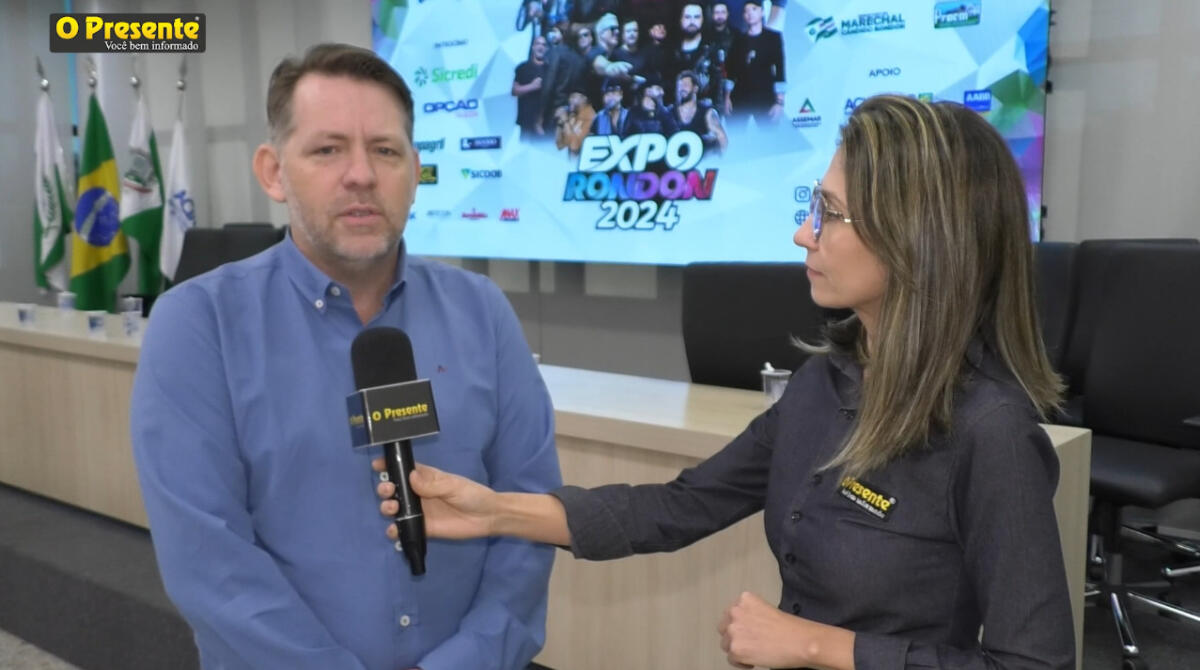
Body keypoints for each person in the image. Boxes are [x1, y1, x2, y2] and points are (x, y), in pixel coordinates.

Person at [375, 94, 1076, 669]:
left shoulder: (990, 433)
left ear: (917, 237)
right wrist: (495, 512)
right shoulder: (824, 386)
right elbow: (679, 506)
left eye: (829, 215)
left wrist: (816, 645)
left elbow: (1035, 663)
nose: (804, 235)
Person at [130, 43, 562, 670]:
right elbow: (210, 561)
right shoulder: (198, 326)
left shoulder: (483, 312)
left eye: (385, 151)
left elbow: (528, 513)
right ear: (274, 172)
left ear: (415, 170)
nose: (361, 175)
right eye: (328, 150)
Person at [726, 0, 785, 125]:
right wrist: (727, 98)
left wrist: (779, 102)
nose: (750, 14)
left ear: (762, 12)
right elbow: (730, 71)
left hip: (765, 96)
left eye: (754, 9)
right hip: (740, 95)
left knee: (768, 132)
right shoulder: (738, 40)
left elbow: (780, 70)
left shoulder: (773, 38)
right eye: (746, 11)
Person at [671, 70, 727, 152]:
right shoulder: (669, 112)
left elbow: (722, 138)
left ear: (695, 89)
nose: (681, 89)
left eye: (685, 85)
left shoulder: (707, 112)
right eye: (679, 86)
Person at [513, 35, 549, 140]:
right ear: (533, 47)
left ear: (547, 49)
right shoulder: (523, 68)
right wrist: (532, 86)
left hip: (545, 124)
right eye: (538, 44)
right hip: (527, 122)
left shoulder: (550, 69)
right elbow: (514, 90)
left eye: (543, 45)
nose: (540, 47)